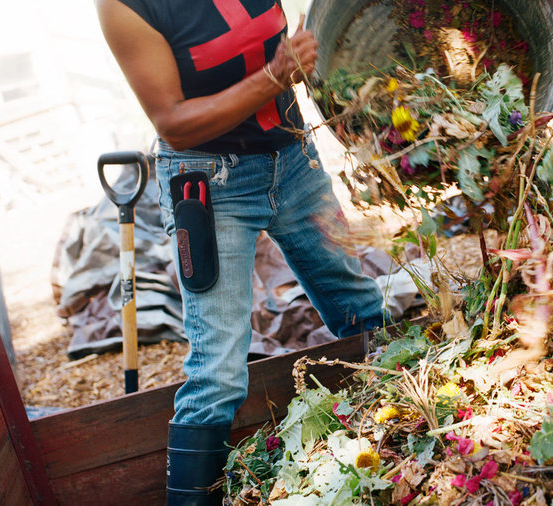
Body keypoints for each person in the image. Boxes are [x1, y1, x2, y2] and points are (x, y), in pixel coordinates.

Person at [95, 1, 388, 504]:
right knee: (218, 372)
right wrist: (275, 76)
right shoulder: (125, 7)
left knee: (362, 309)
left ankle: (403, 440)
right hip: (210, 184)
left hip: (293, 156)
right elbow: (174, 123)